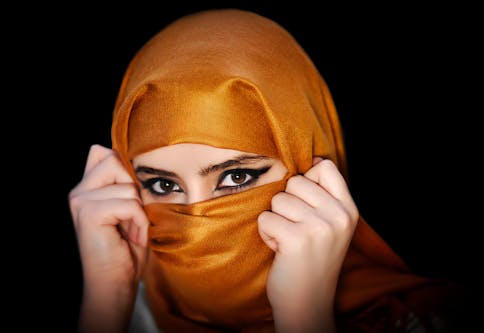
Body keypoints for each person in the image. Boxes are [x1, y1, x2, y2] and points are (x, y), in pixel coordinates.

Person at [68, 8, 464, 333]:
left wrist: (304, 314)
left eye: (236, 177)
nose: (197, 221)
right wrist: (109, 297)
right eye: (163, 183)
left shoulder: (421, 321)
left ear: (311, 166)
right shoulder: (130, 313)